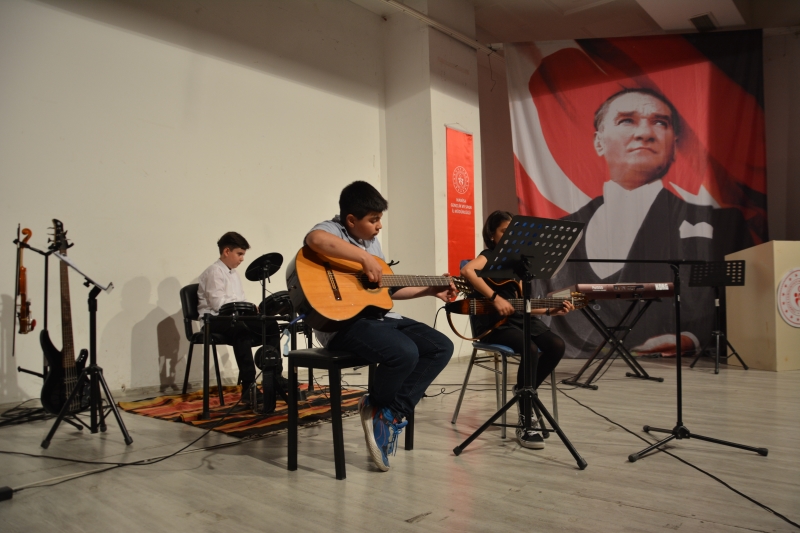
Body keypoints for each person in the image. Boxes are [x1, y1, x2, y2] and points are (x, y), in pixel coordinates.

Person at [547, 88, 753, 356]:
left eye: (660, 122)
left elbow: (743, 299)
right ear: (599, 142)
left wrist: (692, 338)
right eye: (627, 120)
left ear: (674, 145)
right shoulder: (561, 231)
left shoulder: (722, 224)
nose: (645, 133)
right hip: (576, 359)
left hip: (672, 369)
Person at [304, 180, 456, 472]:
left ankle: (386, 413)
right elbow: (315, 240)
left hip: (376, 318)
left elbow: (385, 290)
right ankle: (380, 410)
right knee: (405, 352)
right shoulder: (333, 229)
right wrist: (363, 258)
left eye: (379, 219)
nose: (379, 226)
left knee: (440, 346)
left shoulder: (373, 242)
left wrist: (430, 289)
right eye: (373, 220)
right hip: (342, 325)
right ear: (351, 220)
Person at [461, 210, 574, 449]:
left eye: (512, 231)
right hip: (494, 322)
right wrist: (495, 298)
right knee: (529, 348)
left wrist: (551, 310)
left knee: (556, 345)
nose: (509, 236)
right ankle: (525, 418)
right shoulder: (488, 256)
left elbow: (525, 304)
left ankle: (524, 390)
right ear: (492, 235)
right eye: (504, 231)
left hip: (519, 318)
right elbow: (467, 271)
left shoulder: (517, 265)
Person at [197, 232, 274, 408]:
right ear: (226, 251)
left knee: (270, 324)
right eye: (239, 254)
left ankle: (273, 377)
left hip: (233, 317)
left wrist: (250, 309)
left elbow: (240, 300)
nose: (242, 259)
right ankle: (248, 386)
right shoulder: (214, 272)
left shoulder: (234, 274)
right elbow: (218, 305)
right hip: (213, 320)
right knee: (241, 329)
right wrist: (243, 309)